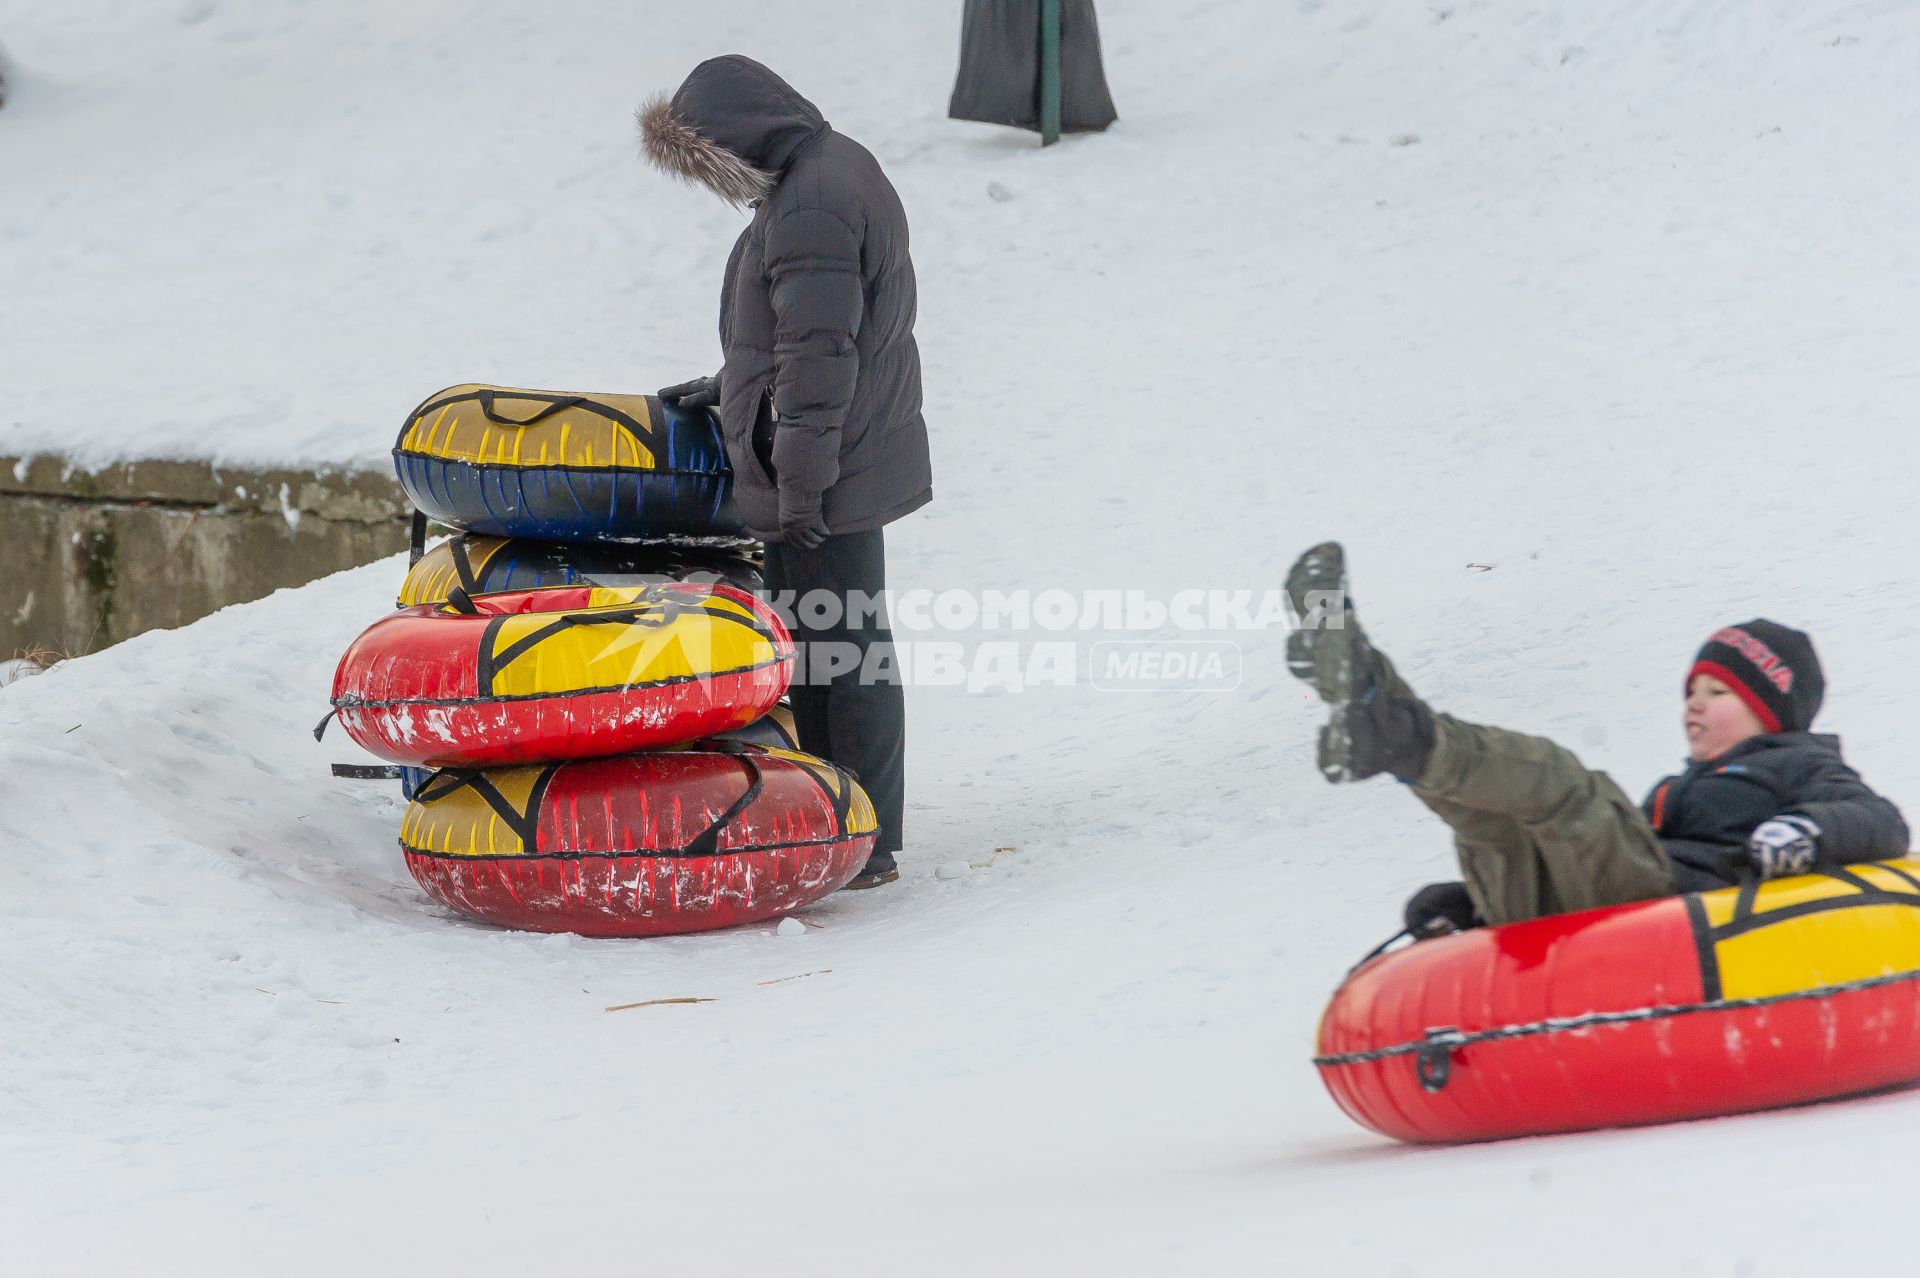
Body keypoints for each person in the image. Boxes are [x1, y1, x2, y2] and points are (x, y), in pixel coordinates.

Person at [1283, 541, 1909, 937]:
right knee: (1491, 823)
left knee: (1561, 785)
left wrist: (1807, 831)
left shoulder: (1798, 764)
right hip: (1600, 915)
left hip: (1675, 906)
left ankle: (1390, 730)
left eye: (1719, 694)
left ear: (1771, 715)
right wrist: (1469, 906)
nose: (1694, 703)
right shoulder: (1677, 789)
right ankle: (1364, 689)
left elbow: (1879, 820)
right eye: (1692, 690)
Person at [640, 55, 932, 889]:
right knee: (829, 649)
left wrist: (801, 484)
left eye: (711, 163)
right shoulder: (825, 170)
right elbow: (793, 332)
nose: (719, 187)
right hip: (836, 455)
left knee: (842, 654)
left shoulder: (811, 201)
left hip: (826, 469)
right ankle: (849, 826)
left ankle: (864, 838)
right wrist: (730, 385)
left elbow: (819, 354)